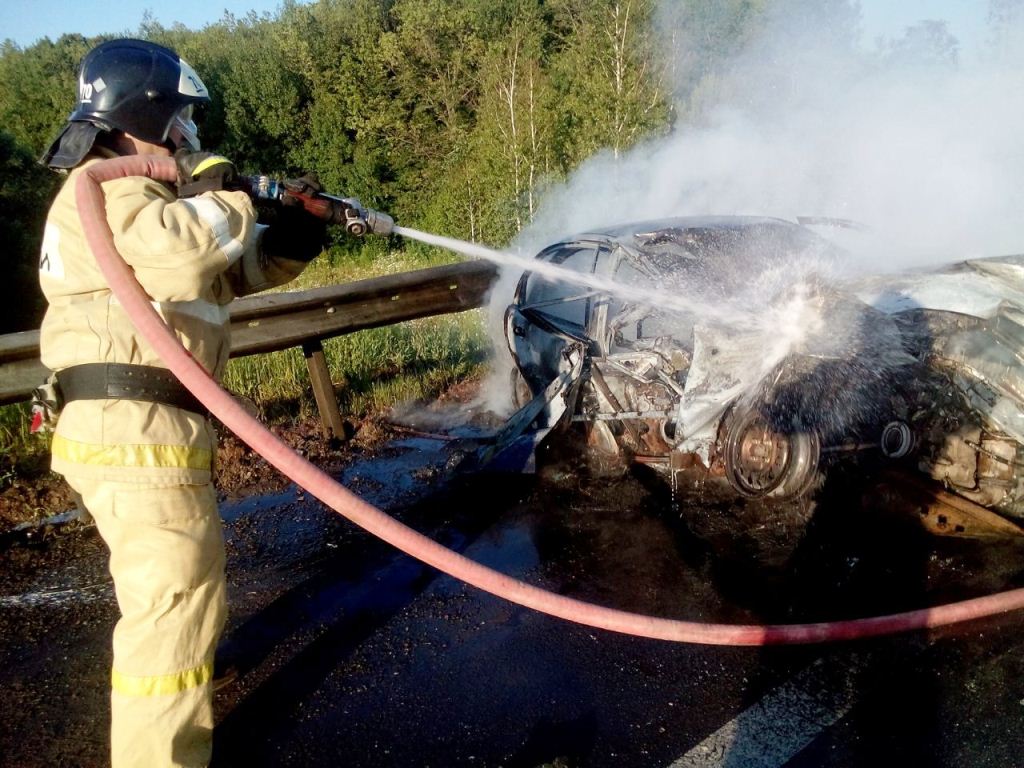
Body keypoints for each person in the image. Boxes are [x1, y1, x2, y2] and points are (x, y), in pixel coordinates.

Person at [37, 38, 334, 767]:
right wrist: (237, 192)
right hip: (134, 424)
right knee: (170, 608)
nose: (190, 134)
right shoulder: (110, 188)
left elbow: (222, 276)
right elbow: (189, 250)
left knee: (177, 593)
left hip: (138, 426)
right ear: (149, 111)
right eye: (182, 118)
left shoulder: (145, 204)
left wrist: (296, 229)